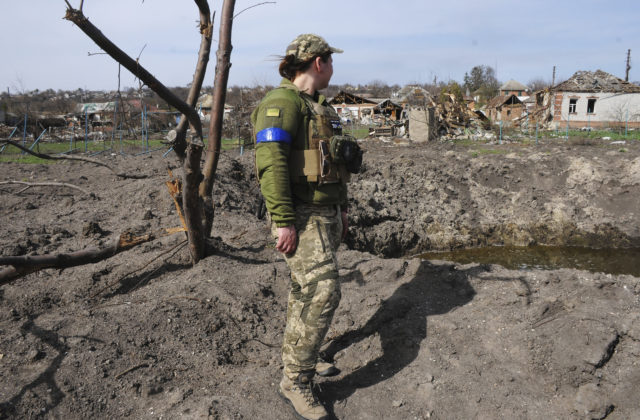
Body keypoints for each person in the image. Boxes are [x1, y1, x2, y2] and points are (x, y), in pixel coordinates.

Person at [251, 34, 362, 420]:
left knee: (305, 294)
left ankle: (304, 360)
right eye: (331, 61)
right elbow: (272, 165)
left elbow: (333, 164)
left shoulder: (317, 107)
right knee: (322, 291)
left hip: (326, 213)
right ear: (318, 62)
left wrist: (342, 208)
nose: (333, 68)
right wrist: (282, 221)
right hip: (300, 214)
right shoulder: (281, 104)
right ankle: (295, 382)